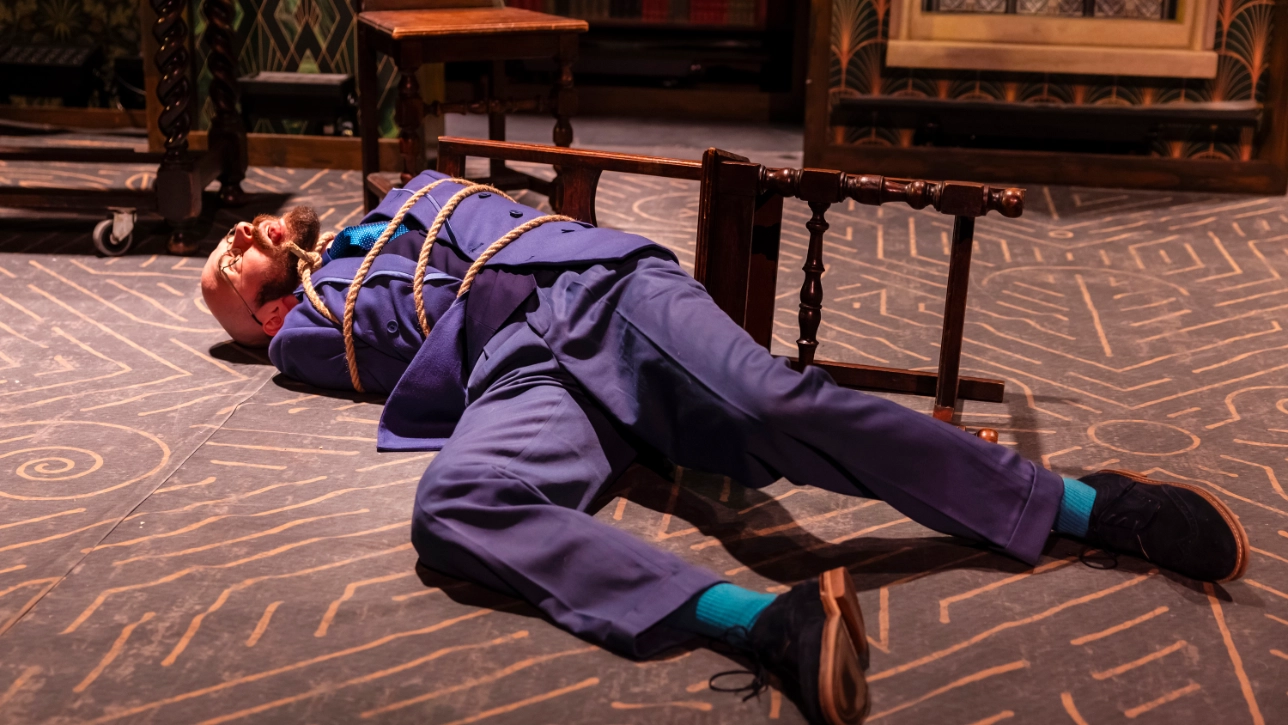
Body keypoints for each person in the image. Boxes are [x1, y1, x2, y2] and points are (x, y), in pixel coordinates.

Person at [200, 172, 1249, 725]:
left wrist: (300, 250)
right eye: (224, 283)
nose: (234, 253)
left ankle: (1079, 503)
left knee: (768, 402)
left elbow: (490, 226)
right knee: (455, 504)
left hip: (592, 290)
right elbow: (345, 344)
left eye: (233, 238)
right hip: (514, 369)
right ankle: (760, 622)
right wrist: (273, 312)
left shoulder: (400, 197)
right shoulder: (311, 330)